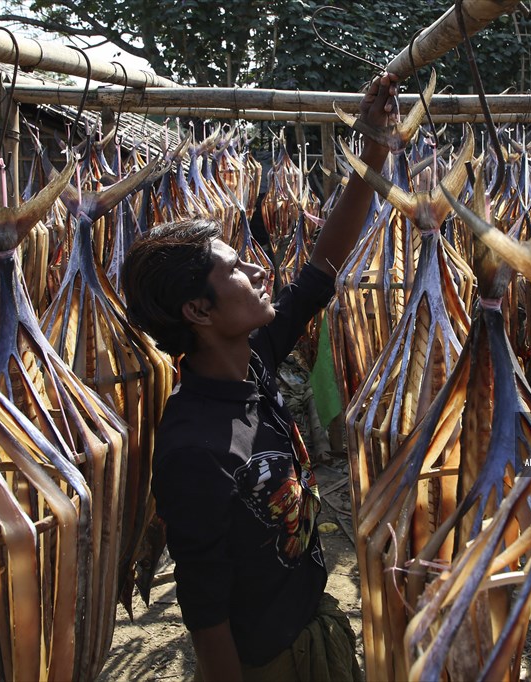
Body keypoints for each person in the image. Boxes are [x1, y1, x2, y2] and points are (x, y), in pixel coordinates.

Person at [122, 72, 399, 681]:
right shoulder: (192, 448)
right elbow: (205, 611)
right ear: (198, 311)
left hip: (311, 630)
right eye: (236, 269)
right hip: (266, 664)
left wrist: (372, 149)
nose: (258, 266)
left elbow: (322, 267)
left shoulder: (256, 359)